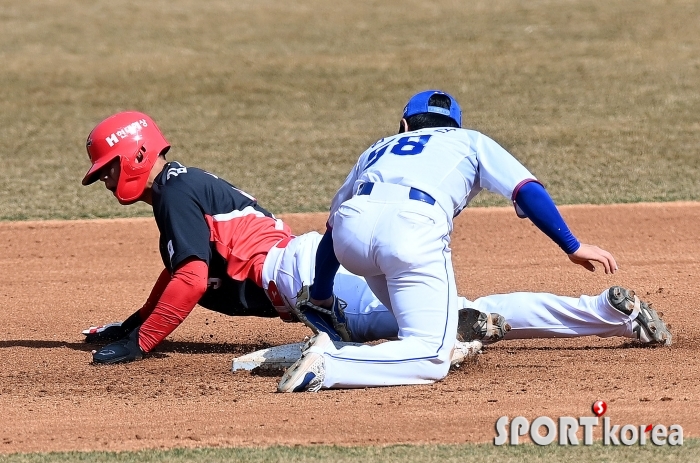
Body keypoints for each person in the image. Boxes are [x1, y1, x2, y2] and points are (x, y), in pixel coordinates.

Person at [81, 110, 670, 367]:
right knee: (451, 318)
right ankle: (581, 315)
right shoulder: (184, 187)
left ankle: (590, 314)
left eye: (108, 167)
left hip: (314, 274)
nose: (106, 179)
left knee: (440, 329)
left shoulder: (178, 193)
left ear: (135, 155)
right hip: (316, 263)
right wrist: (131, 323)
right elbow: (181, 272)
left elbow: (188, 277)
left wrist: (142, 343)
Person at [277, 89, 630, 393]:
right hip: (411, 232)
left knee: (442, 316)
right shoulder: (468, 140)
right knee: (431, 354)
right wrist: (572, 245)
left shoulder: (376, 148)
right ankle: (331, 363)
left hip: (352, 234)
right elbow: (526, 189)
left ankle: (600, 316)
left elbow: (332, 227)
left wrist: (321, 295)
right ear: (453, 126)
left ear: (404, 126)